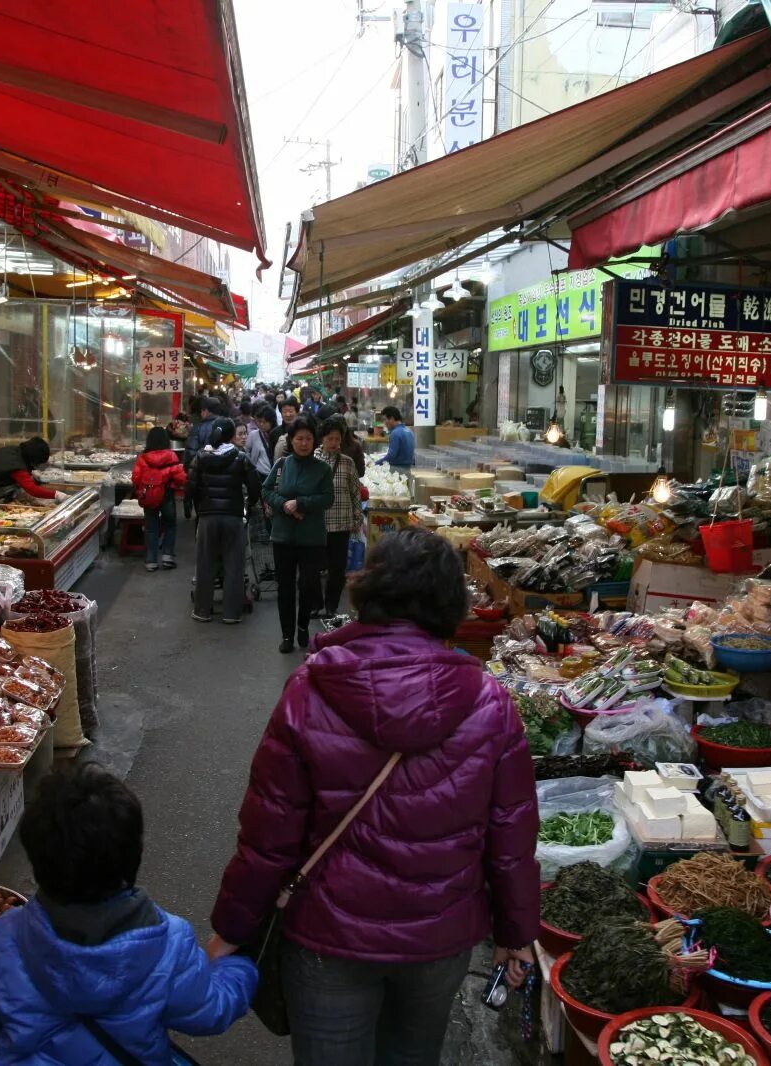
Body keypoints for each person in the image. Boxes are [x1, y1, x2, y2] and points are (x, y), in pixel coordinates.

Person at [208, 529, 539, 1064]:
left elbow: (270, 833)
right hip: (440, 933)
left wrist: (232, 929)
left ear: (369, 589)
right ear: (451, 601)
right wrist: (517, 933)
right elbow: (512, 836)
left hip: (327, 935)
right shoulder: (491, 702)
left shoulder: (311, 687)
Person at [0, 766, 256, 1066]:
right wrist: (240, 967)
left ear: (37, 859)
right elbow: (211, 1011)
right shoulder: (170, 944)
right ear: (134, 855)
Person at [263, 418, 333, 654]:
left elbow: (327, 498)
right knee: (285, 586)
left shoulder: (322, 469)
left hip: (311, 538)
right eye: (299, 439)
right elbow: (266, 489)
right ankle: (286, 635)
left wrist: (301, 503)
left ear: (315, 441)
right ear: (291, 440)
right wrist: (284, 505)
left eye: (308, 439)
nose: (304, 443)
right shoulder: (282, 464)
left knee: (308, 584)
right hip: (283, 536)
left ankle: (303, 625)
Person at [190, 419, 260, 624]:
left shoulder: (201, 457)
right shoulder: (241, 458)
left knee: (205, 564)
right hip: (233, 518)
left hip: (207, 518)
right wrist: (248, 505)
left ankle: (203, 611)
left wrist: (200, 506)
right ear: (231, 436)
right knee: (234, 564)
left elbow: (190, 488)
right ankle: (231, 613)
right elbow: (255, 486)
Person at [315, 418, 362, 619]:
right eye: (330, 438)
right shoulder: (313, 459)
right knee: (313, 568)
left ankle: (331, 606)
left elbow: (355, 492)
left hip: (341, 523)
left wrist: (357, 518)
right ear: (322, 439)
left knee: (337, 568)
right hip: (316, 523)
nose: (334, 443)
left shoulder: (347, 462)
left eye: (337, 439)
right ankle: (316, 604)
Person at [131, 428, 186, 573]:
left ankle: (151, 561)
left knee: (151, 528)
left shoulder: (143, 458)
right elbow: (181, 478)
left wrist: (143, 488)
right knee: (170, 525)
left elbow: (136, 478)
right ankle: (167, 557)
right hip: (167, 495)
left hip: (149, 496)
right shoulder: (172, 456)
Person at [375, 406, 415, 473]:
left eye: (385, 420)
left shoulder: (395, 433)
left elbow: (391, 455)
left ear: (392, 418)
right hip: (408, 469)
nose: (384, 423)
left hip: (397, 471)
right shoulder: (409, 431)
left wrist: (376, 463)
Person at [243, 402, 274, 478]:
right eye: (259, 421)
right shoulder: (253, 435)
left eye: (264, 422)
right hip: (259, 473)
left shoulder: (277, 434)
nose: (261, 424)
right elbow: (247, 450)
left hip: (275, 474)